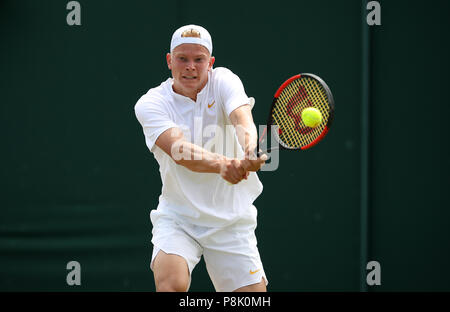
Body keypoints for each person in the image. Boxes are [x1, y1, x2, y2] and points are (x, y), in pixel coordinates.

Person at [134, 24, 268, 292]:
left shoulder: (225, 81)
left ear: (211, 63)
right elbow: (179, 150)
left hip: (231, 221)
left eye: (199, 59)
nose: (190, 67)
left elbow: (242, 118)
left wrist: (250, 150)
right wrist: (224, 165)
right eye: (182, 59)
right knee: (171, 284)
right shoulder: (150, 104)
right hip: (179, 219)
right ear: (170, 61)